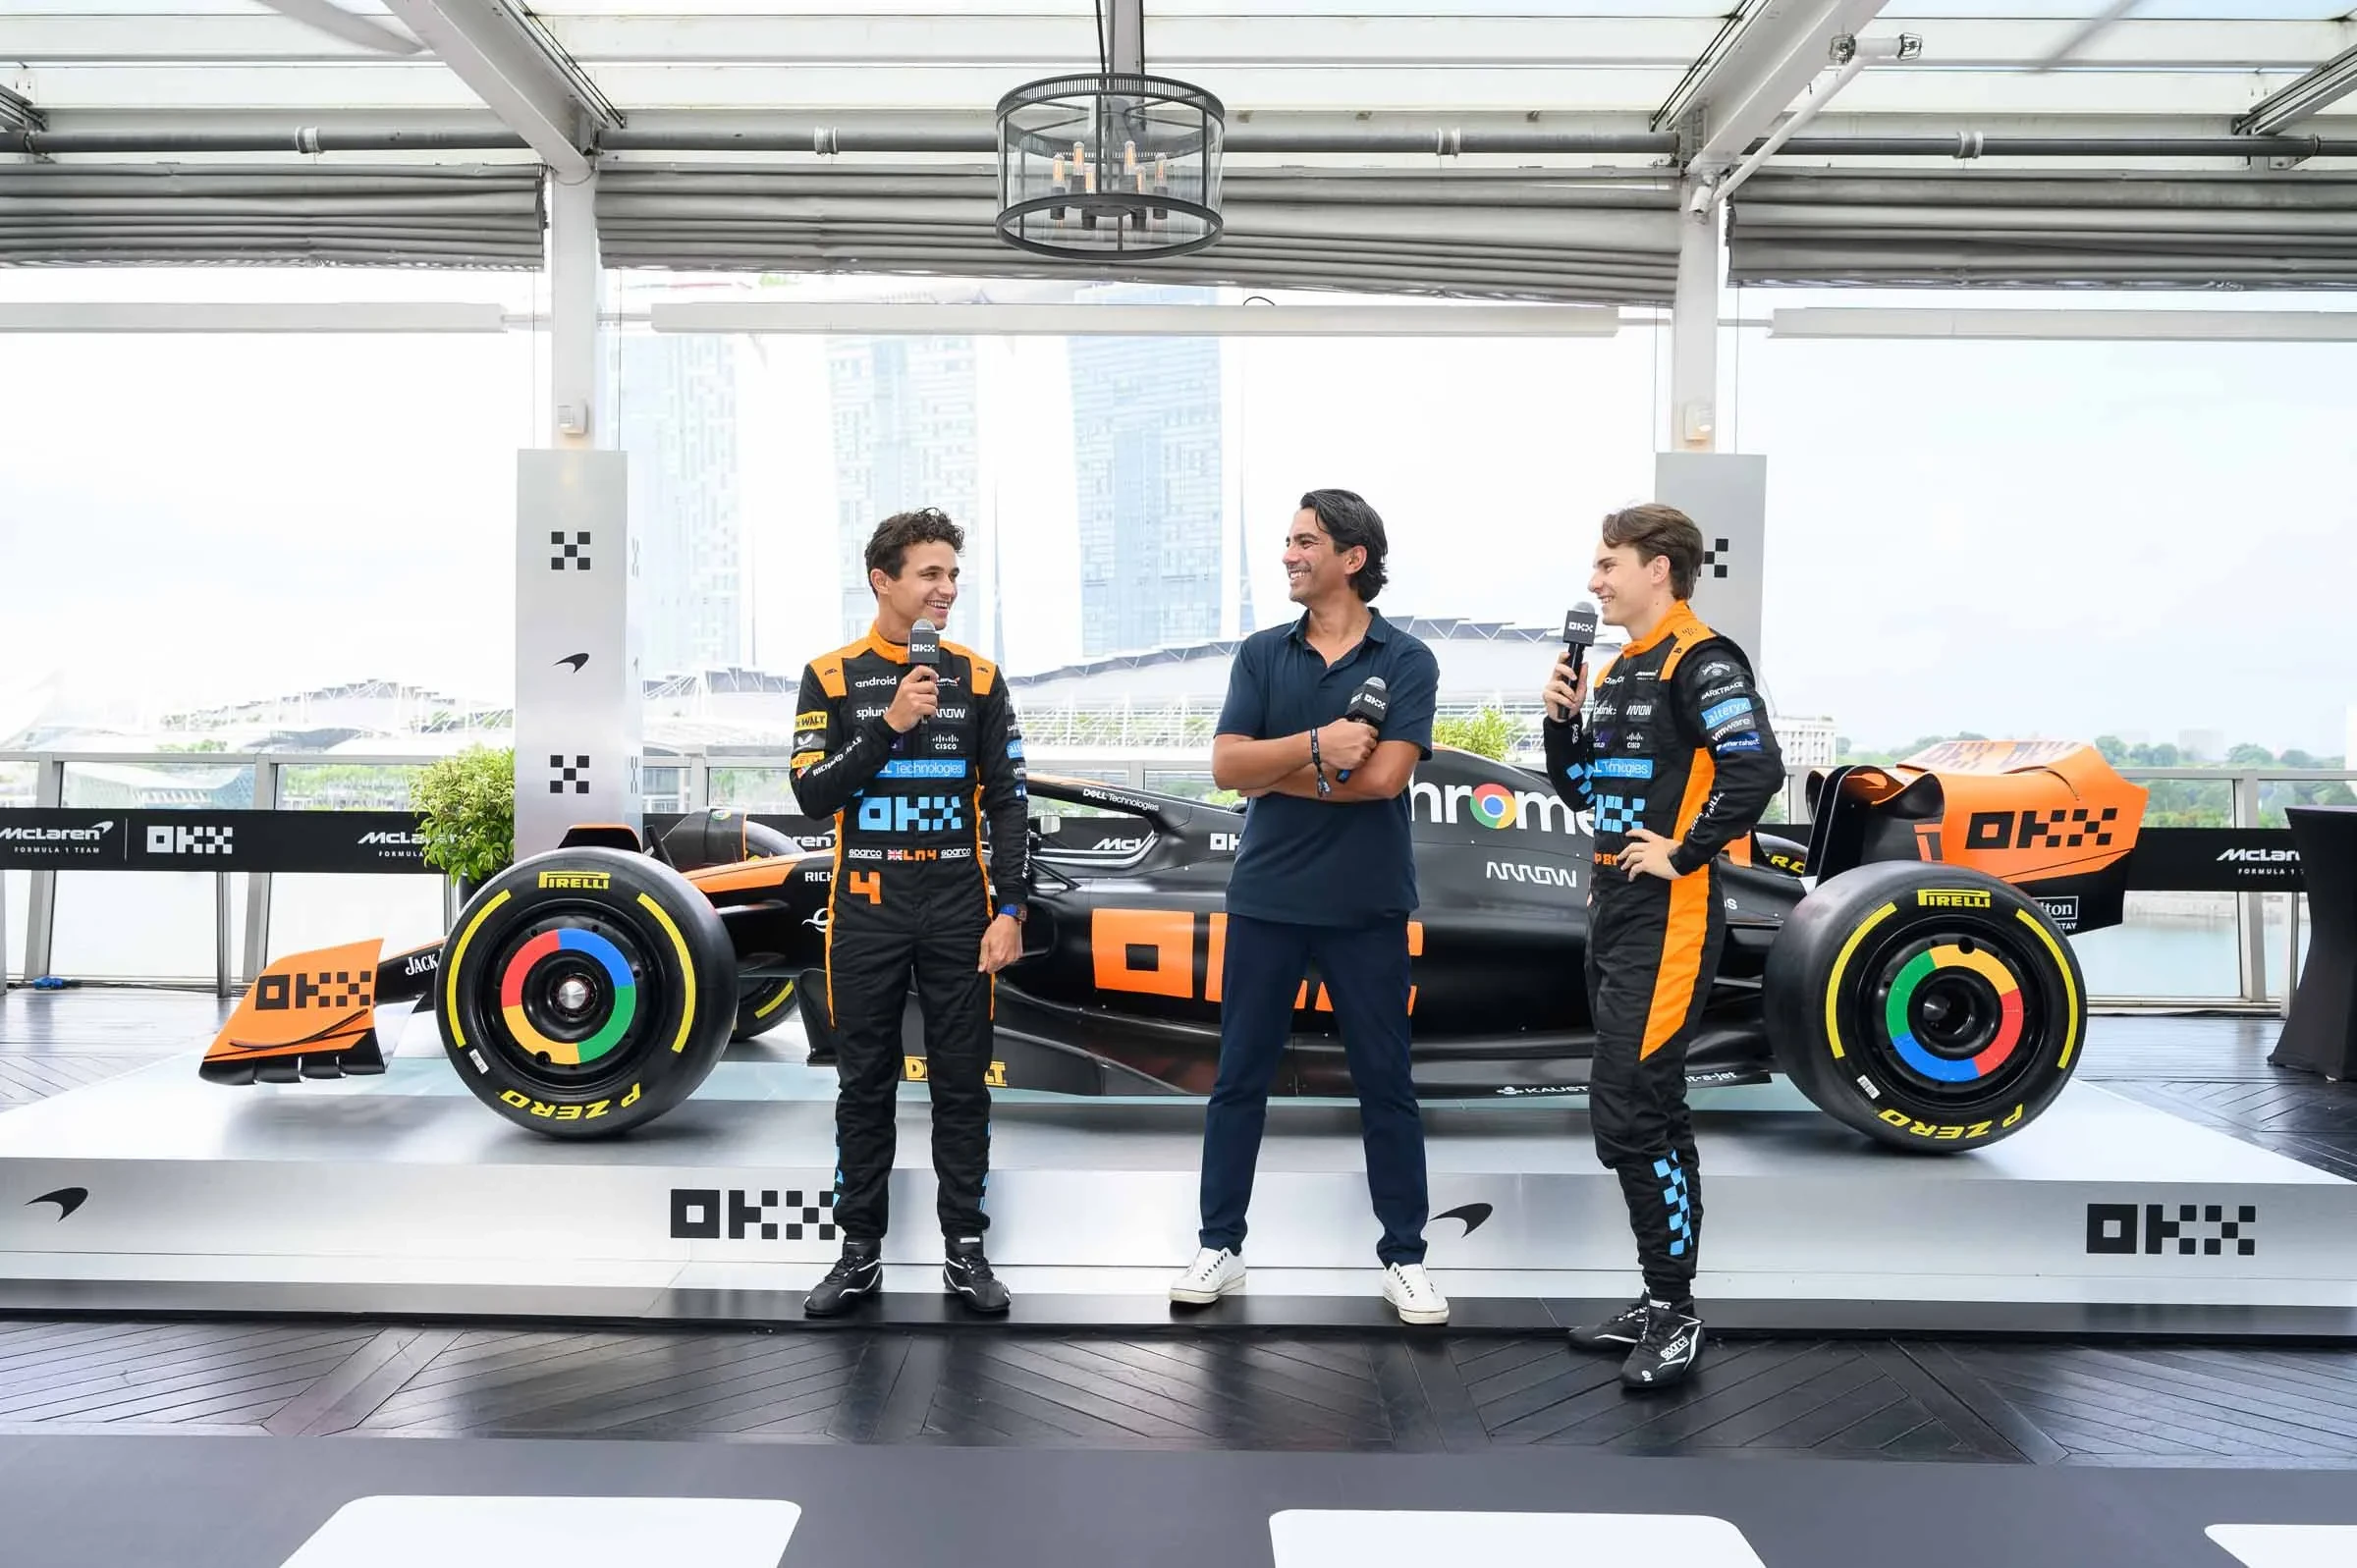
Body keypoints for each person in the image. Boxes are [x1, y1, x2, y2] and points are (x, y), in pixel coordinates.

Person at [1169, 489, 1449, 1325]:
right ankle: (1221, 1243)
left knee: (1386, 1086)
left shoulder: (1408, 660)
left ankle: (1405, 1257)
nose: (1289, 554)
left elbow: (1387, 779)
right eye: (1288, 541)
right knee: (1238, 1080)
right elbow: (1225, 766)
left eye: (1304, 542)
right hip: (1266, 901)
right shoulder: (1261, 654)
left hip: (1366, 907)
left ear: (1352, 557)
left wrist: (1280, 766)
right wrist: (1322, 747)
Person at [1542, 503, 1783, 1389]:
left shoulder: (1701, 658)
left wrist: (1684, 852)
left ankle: (1674, 1311)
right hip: (1613, 905)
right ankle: (1662, 1297)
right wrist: (1564, 719)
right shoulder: (1622, 667)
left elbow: (1757, 768)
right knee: (1647, 1106)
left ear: (1659, 569)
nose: (1596, 581)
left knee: (1632, 1107)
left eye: (1609, 564)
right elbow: (1581, 792)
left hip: (1670, 913)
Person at [789, 507, 1031, 1318]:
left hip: (963, 907)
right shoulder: (829, 674)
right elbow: (813, 796)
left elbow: (1009, 802)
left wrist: (1013, 910)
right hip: (866, 908)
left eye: (954, 574)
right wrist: (889, 725)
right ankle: (858, 1253)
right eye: (931, 573)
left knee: (964, 1085)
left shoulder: (982, 676)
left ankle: (966, 1249)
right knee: (865, 1084)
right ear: (882, 579)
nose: (947, 589)